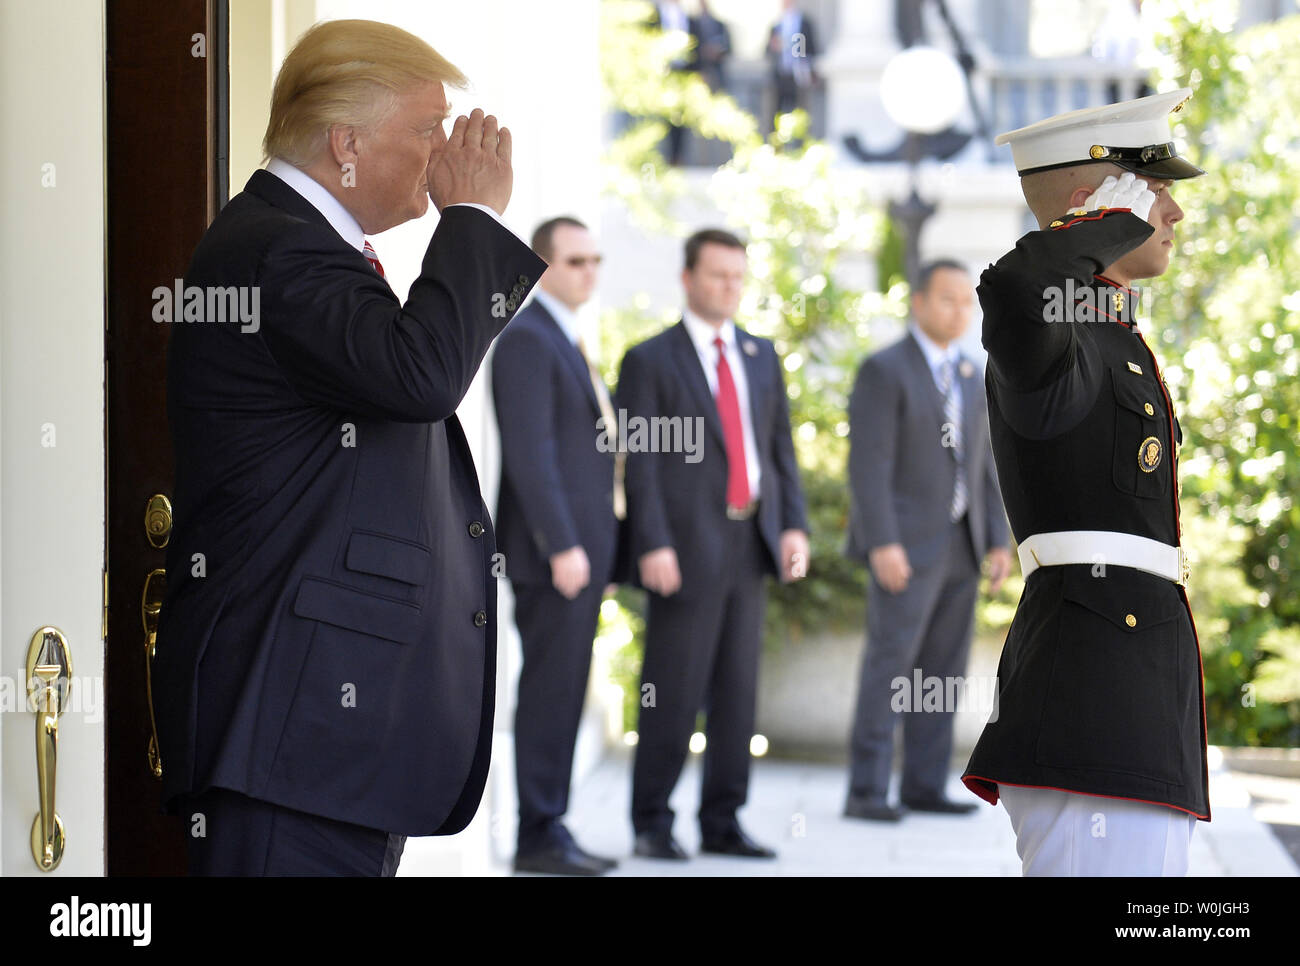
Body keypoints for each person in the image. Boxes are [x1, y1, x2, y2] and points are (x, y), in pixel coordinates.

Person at [153, 19, 546, 876]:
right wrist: (473, 215)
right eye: (426, 128)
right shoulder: (279, 250)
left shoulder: (295, 243)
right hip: (291, 731)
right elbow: (420, 375)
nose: (444, 152)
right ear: (347, 144)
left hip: (323, 738)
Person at [961, 88, 1211, 875]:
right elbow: (1012, 289)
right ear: (1094, 204)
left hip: (1134, 692)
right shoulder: (1056, 337)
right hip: (1093, 698)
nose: (1170, 215)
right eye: (1154, 193)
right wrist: (1103, 225)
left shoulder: (1109, 335)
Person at [618, 228, 810, 861]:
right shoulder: (650, 360)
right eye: (717, 275)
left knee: (737, 692)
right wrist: (651, 543)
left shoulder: (759, 354)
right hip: (683, 545)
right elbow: (639, 462)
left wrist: (792, 527)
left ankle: (723, 821)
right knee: (672, 690)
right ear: (688, 279)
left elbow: (779, 451)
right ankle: (652, 822)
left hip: (749, 539)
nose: (729, 287)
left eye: (737, 276)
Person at [844, 260, 1011, 822]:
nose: (959, 310)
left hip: (961, 547)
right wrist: (881, 542)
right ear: (918, 302)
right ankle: (866, 791)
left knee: (940, 673)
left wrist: (996, 540)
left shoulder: (970, 371)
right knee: (889, 668)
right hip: (904, 549)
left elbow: (984, 462)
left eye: (967, 301)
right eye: (947, 299)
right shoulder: (884, 370)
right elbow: (868, 467)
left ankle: (923, 784)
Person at [492, 216, 623, 876]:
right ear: (543, 266)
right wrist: (563, 546)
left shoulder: (564, 337)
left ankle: (553, 825)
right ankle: (537, 836)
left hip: (580, 556)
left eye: (596, 259)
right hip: (554, 558)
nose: (590, 271)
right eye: (576, 261)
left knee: (567, 691)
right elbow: (532, 456)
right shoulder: (527, 338)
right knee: (549, 694)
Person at [767, 0, 819, 122]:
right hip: (780, 74)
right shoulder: (777, 25)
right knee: (777, 112)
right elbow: (767, 50)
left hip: (799, 75)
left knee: (800, 111)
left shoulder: (805, 24)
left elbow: (812, 49)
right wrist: (773, 46)